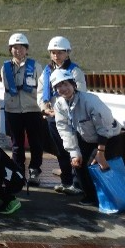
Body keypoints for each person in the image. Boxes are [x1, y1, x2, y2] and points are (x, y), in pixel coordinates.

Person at [51, 69, 121, 207]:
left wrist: (100, 152)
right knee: (79, 164)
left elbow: (104, 127)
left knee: (99, 166)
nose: (63, 89)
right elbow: (65, 130)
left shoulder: (90, 101)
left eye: (66, 84)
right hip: (87, 137)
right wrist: (74, 153)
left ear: (73, 84)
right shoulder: (59, 105)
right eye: (59, 86)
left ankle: (115, 196)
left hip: (109, 137)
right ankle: (91, 196)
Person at [37, 36, 87, 196]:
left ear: (67, 53)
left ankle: (78, 183)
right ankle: (66, 182)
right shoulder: (46, 71)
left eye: (60, 52)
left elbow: (81, 93)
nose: (56, 55)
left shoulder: (74, 71)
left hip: (72, 117)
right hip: (53, 116)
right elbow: (40, 92)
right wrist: (44, 108)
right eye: (53, 52)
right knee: (60, 150)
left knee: (75, 148)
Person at [1, 33, 45, 187]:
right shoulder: (5, 67)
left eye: (21, 47)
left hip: (32, 108)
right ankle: (18, 172)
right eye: (14, 47)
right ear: (10, 49)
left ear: (26, 49)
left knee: (35, 142)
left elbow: (42, 88)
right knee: (16, 144)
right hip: (13, 109)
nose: (17, 50)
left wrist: (44, 106)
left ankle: (34, 170)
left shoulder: (36, 66)